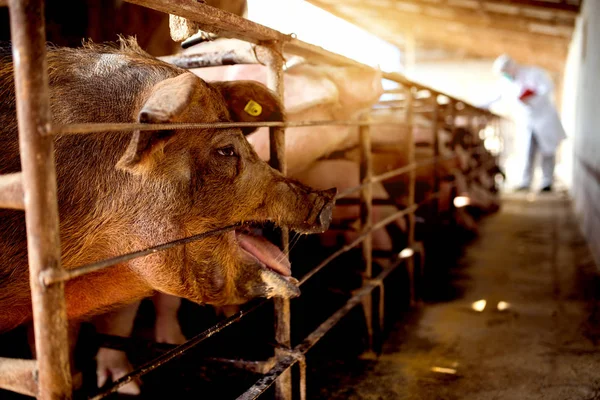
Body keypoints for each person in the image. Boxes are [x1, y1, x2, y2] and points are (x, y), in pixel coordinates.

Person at [483, 54, 566, 192]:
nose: (505, 75)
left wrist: (531, 96)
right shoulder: (506, 82)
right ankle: (525, 182)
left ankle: (547, 182)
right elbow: (495, 97)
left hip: (544, 118)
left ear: (512, 67)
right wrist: (479, 106)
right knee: (526, 150)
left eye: (505, 71)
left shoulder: (533, 73)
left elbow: (547, 88)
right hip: (526, 120)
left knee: (547, 151)